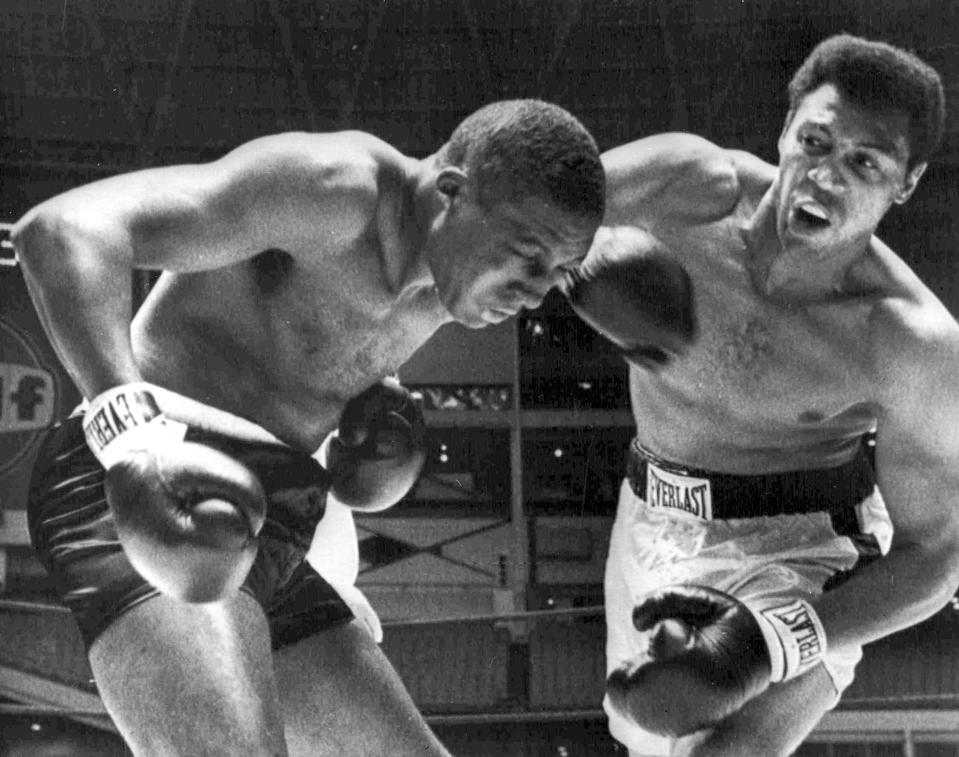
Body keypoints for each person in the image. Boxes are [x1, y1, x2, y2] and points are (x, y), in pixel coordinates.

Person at [11, 98, 605, 757]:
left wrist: (375, 437)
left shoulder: (444, 281)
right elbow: (63, 228)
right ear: (451, 193)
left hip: (278, 521)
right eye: (527, 255)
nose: (537, 290)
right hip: (160, 486)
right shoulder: (334, 192)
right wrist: (131, 438)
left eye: (558, 271)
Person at [563, 34, 959, 756]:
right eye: (814, 141)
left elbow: (938, 553)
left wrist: (766, 643)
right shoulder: (685, 187)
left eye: (863, 162)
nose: (824, 176)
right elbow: (519, 213)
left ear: (905, 183)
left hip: (805, 544)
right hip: (650, 517)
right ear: (784, 132)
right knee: (646, 738)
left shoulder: (907, 339)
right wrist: (575, 264)